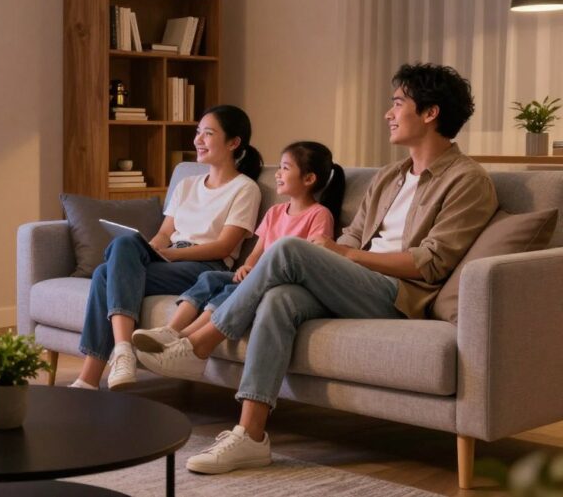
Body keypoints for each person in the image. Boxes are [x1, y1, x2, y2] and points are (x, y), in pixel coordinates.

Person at [136, 63, 498, 476]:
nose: (388, 114)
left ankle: (198, 345)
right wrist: (331, 255)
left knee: (289, 249)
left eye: (398, 104)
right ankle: (251, 435)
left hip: (399, 294)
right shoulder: (390, 177)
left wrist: (341, 257)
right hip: (355, 284)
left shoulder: (467, 181)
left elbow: (431, 264)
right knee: (280, 297)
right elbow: (353, 236)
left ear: (430, 113)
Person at [71, 105, 264, 391]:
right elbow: (164, 234)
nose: (198, 140)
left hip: (205, 267)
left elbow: (224, 246)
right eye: (197, 132)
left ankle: (91, 376)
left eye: (208, 134)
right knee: (122, 248)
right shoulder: (187, 184)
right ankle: (122, 351)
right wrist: (145, 252)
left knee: (103, 274)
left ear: (234, 143)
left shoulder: (245, 189)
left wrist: (172, 254)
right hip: (170, 259)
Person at [132, 141, 345, 353]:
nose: (278, 173)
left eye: (285, 168)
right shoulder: (276, 212)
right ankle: (171, 330)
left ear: (309, 179)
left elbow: (313, 259)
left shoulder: (319, 215)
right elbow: (257, 251)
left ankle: (185, 337)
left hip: (275, 282)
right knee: (209, 278)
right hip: (255, 276)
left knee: (232, 290)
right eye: (279, 167)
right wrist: (247, 266)